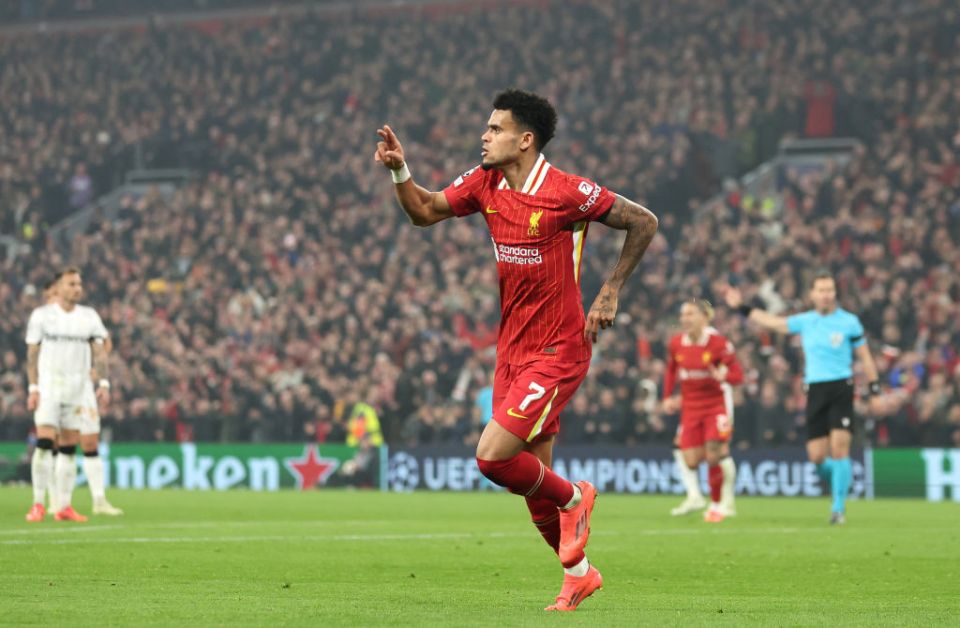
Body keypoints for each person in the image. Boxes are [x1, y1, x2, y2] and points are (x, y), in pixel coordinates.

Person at [374, 88, 658, 611]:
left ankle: (577, 496)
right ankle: (579, 574)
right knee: (531, 486)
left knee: (492, 457)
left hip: (559, 347)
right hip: (512, 352)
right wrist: (399, 170)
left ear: (525, 139)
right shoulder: (485, 183)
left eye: (495, 128)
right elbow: (423, 211)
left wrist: (611, 287)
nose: (484, 136)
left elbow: (644, 221)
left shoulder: (569, 192)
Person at [725, 271, 881, 524]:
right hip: (815, 390)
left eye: (829, 290)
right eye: (821, 290)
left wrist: (874, 389)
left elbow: (865, 356)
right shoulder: (805, 321)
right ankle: (843, 480)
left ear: (834, 293)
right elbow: (773, 323)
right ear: (812, 294)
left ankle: (838, 508)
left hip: (841, 388)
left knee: (840, 449)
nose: (825, 295)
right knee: (817, 457)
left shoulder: (849, 322)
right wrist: (741, 307)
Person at [25, 268, 114, 522]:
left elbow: (100, 351)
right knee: (44, 443)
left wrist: (103, 382)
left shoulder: (89, 317)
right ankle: (38, 504)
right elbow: (32, 355)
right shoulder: (42, 316)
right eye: (72, 284)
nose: (77, 288)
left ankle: (64, 506)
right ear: (60, 287)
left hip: (77, 390)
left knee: (67, 448)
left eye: (79, 284)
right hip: (50, 388)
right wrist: (33, 388)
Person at [662, 300, 743, 522]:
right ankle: (699, 496)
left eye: (690, 314)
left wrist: (724, 376)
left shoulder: (717, 343)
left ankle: (718, 505)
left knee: (715, 452)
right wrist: (668, 396)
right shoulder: (676, 343)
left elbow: (738, 376)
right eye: (683, 314)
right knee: (690, 460)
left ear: (703, 317)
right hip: (690, 407)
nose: (684, 319)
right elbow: (671, 370)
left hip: (715, 405)